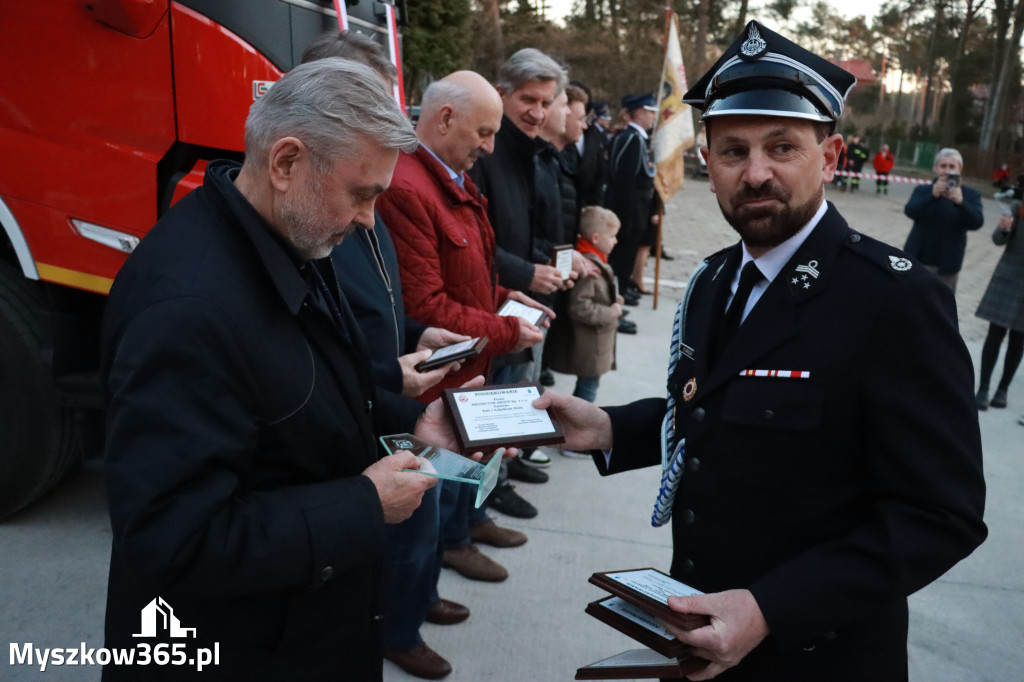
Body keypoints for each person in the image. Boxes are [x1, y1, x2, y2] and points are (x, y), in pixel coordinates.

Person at [533, 20, 987, 681]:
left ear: (828, 158)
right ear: (706, 162)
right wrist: (609, 428)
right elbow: (717, 411)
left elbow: (941, 514)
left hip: (816, 658)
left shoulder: (895, 301)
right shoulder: (717, 279)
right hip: (698, 640)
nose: (755, 173)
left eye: (782, 148)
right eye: (732, 151)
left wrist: (771, 608)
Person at [100, 59, 476, 681]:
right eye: (362, 194)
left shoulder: (288, 232)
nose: (367, 221)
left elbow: (308, 384)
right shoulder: (188, 310)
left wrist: (415, 421)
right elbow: (174, 538)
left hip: (303, 628)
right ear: (286, 163)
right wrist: (363, 505)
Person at [300, 32, 471, 680]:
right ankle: (397, 629)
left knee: (420, 520)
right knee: (395, 530)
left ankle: (412, 607)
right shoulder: (309, 213)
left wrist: (417, 336)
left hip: (395, 393)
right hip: (361, 412)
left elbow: (384, 300)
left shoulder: (361, 195)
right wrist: (381, 374)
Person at [376, 71, 550, 591]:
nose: (490, 147)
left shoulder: (447, 177)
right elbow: (425, 306)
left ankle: (453, 548)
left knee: (457, 488)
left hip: (468, 372)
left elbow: (467, 269)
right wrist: (505, 329)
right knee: (426, 506)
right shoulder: (409, 187)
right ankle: (409, 615)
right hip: (439, 383)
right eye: (484, 132)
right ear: (445, 118)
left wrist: (502, 298)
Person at [467, 48, 572, 514]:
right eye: (529, 99)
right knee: (490, 409)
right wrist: (528, 271)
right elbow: (479, 245)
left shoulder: (532, 151)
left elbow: (530, 224)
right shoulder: (488, 153)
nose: (538, 111)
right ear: (501, 93)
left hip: (524, 297)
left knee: (515, 400)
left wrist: (548, 267)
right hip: (492, 303)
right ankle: (478, 506)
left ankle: (498, 481)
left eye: (547, 102)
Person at [546, 206, 623, 402]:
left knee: (589, 384)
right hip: (590, 344)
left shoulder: (596, 260)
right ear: (596, 238)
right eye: (613, 236)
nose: (616, 241)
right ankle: (581, 418)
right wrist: (610, 311)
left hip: (595, 342)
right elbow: (579, 307)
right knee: (588, 388)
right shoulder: (590, 270)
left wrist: (615, 299)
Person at [903, 148, 984, 293]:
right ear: (936, 168)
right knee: (910, 302)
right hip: (917, 258)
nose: (947, 171)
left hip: (947, 264)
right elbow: (910, 211)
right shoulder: (923, 190)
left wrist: (961, 203)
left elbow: (977, 222)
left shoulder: (970, 195)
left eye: (952, 166)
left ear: (960, 169)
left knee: (940, 309)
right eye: (943, 166)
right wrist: (932, 196)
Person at [604, 93, 657, 302]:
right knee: (621, 259)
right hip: (630, 212)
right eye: (651, 113)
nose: (653, 117)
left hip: (636, 211)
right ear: (641, 113)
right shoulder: (632, 140)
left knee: (625, 257)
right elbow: (625, 181)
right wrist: (625, 218)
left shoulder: (636, 139)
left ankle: (622, 292)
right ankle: (617, 297)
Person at [975, 199, 1024, 411]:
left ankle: (1002, 390)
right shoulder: (1017, 208)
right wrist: (1003, 229)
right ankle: (983, 389)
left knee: (1018, 339)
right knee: (995, 333)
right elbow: (997, 240)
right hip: (1008, 278)